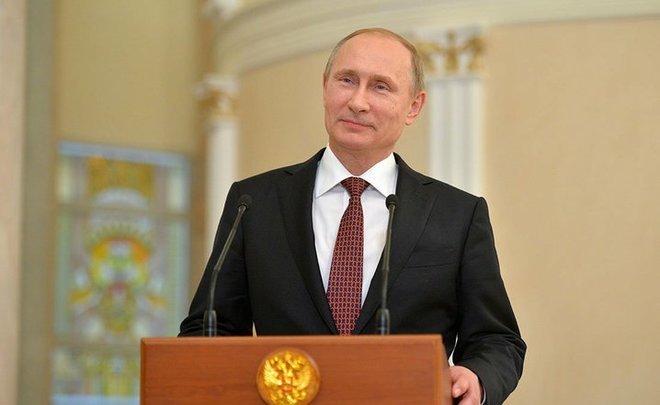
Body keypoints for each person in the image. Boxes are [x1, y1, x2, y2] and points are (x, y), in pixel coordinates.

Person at [180, 28, 525, 405]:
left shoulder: (457, 214)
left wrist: (477, 377)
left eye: (380, 86)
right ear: (325, 87)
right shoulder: (254, 202)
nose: (358, 102)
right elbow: (209, 328)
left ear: (414, 106)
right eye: (347, 80)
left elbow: (497, 339)